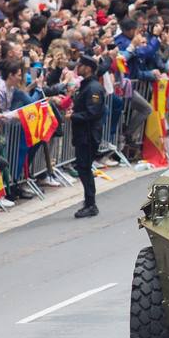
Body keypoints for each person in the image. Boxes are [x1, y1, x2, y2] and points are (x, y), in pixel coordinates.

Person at [68, 55, 103, 219]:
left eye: (81, 65)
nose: (78, 68)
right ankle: (89, 202)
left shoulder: (93, 88)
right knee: (83, 168)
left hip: (88, 135)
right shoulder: (86, 85)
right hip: (82, 134)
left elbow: (92, 112)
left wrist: (73, 116)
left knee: (84, 168)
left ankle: (90, 204)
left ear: (88, 68)